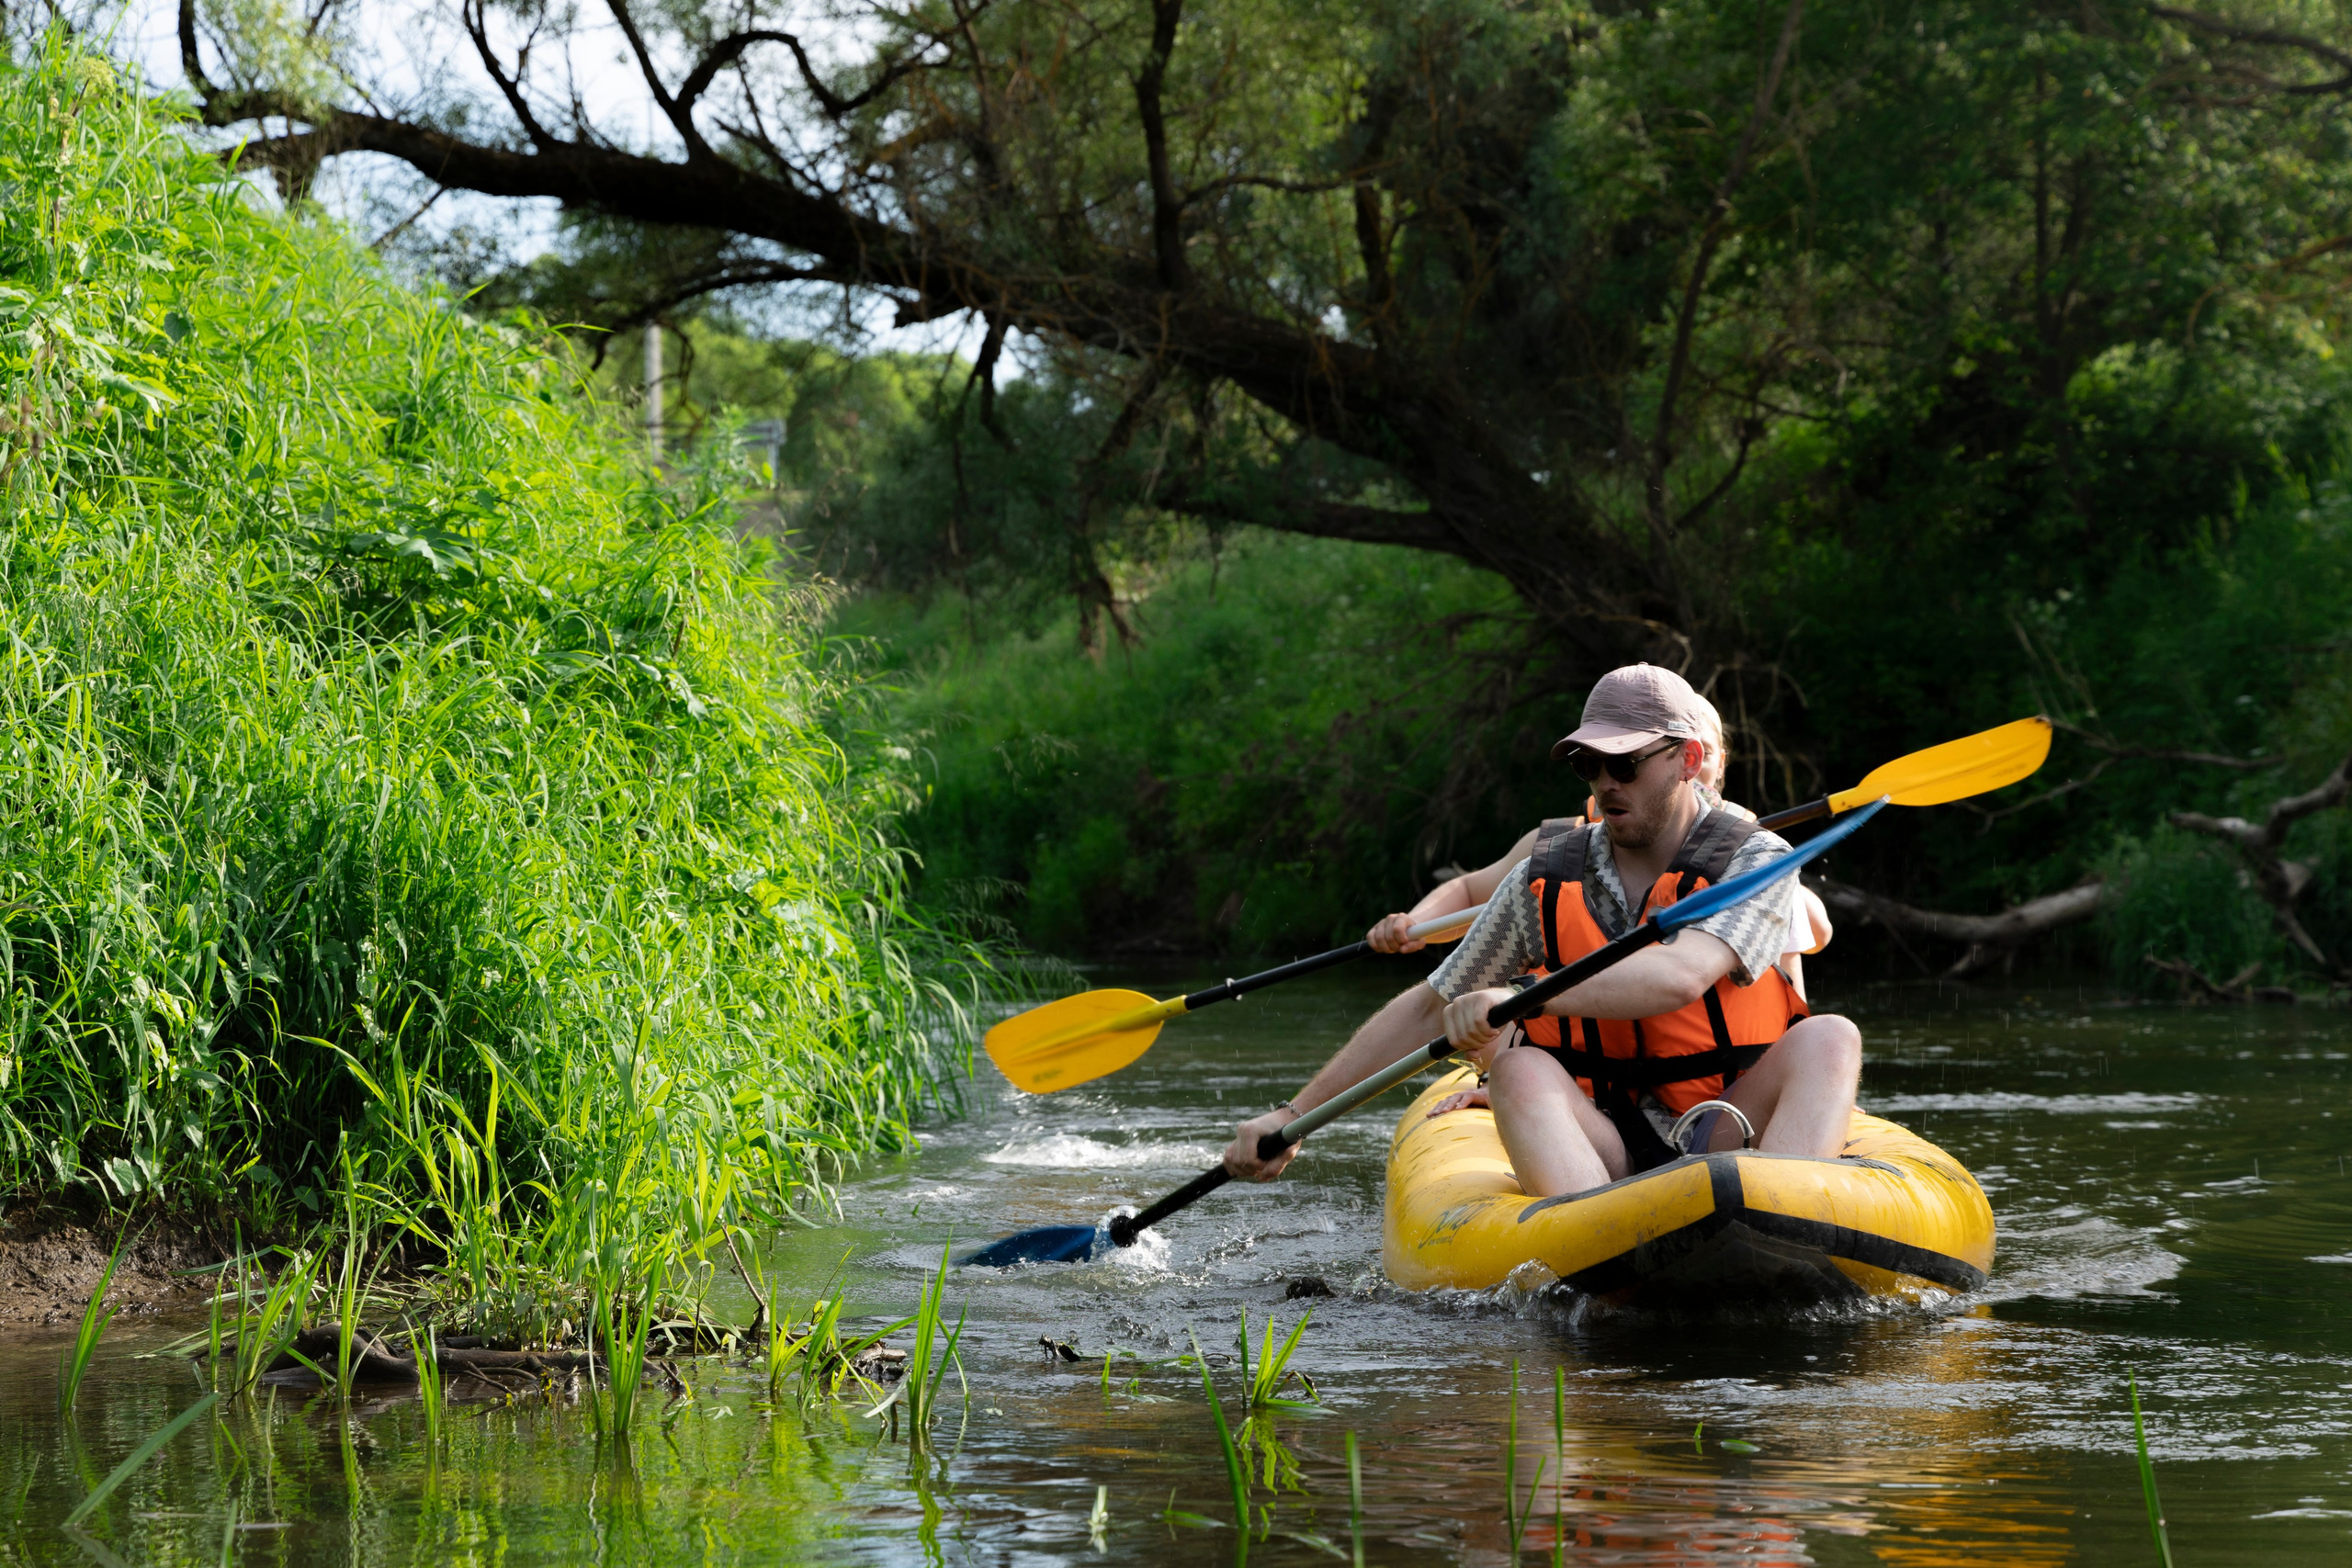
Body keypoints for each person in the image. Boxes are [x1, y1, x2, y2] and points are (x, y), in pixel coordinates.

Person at [1223, 663, 1863, 1199]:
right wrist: (1293, 1116)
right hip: (1600, 1134)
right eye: (1589, 763)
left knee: (1830, 1037)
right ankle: (1601, 1254)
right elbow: (1430, 1005)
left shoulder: (1756, 860)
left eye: (1626, 763)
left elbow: (1679, 975)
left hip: (1728, 1122)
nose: (1605, 783)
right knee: (1518, 1068)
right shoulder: (1545, 876)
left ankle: (1787, 1231)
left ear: (1688, 760)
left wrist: (1523, 996)